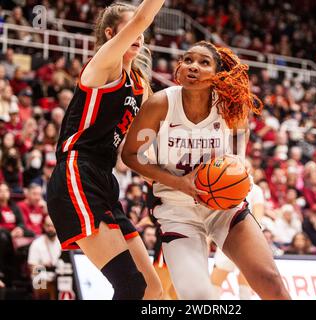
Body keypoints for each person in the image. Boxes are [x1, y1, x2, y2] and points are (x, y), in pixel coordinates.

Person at [123, 41, 290, 299]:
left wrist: (238, 171)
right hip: (177, 210)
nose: (193, 67)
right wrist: (179, 183)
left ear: (217, 74)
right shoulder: (160, 104)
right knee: (199, 298)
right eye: (188, 60)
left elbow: (236, 159)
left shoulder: (230, 107)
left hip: (224, 207)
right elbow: (131, 155)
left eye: (203, 63)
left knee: (271, 281)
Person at [47, 1, 165, 300]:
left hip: (105, 179)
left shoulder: (139, 85)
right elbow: (142, 18)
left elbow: (141, 144)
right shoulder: (104, 65)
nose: (139, 35)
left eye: (140, 32)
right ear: (112, 34)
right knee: (130, 286)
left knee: (152, 291)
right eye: (131, 29)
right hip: (77, 172)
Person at [27, 216, 61, 300]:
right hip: (40, 278)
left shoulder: (62, 243)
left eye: (52, 226)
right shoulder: (36, 243)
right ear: (44, 226)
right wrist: (43, 266)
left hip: (58, 275)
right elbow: (32, 268)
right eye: (48, 226)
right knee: (48, 284)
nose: (50, 228)